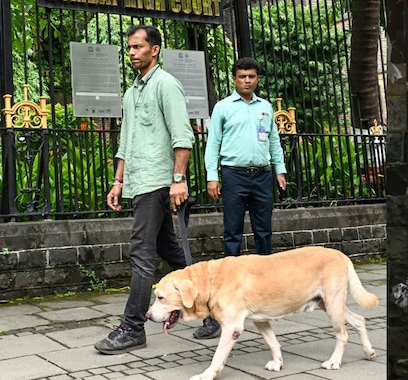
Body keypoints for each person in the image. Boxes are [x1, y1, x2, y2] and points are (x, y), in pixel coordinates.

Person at [95, 24, 195, 354]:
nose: (132, 53)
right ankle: (210, 308)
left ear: (155, 50)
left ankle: (133, 326)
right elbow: (127, 141)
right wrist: (118, 181)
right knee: (170, 251)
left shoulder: (167, 85)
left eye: (138, 47)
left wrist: (178, 180)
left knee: (141, 254)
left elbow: (183, 136)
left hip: (158, 182)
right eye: (130, 48)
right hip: (138, 182)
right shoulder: (131, 91)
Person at [193, 57, 287, 339]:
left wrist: (279, 170)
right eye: (242, 76)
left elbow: (273, 141)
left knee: (264, 232)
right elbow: (213, 144)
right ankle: (228, 291)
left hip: (262, 175)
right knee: (232, 233)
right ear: (234, 79)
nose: (247, 80)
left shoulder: (265, 107)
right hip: (233, 174)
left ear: (258, 78)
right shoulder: (223, 107)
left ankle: (266, 290)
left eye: (252, 76)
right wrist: (212, 175)